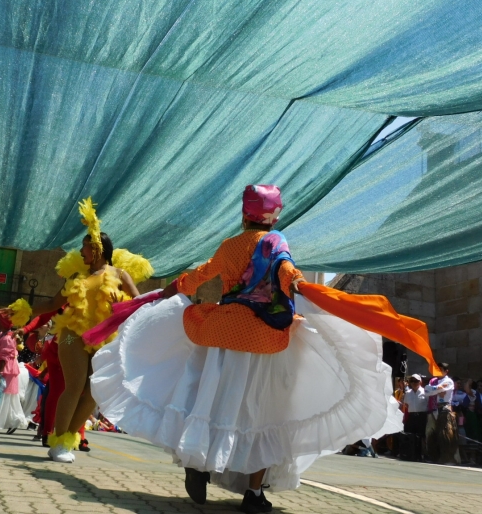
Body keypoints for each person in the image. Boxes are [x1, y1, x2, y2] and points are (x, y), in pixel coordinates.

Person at [89, 185, 417, 513]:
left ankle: (197, 463)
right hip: (261, 337)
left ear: (245, 214)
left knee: (212, 401)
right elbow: (286, 271)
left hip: (221, 330)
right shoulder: (274, 242)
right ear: (273, 216)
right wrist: (299, 284)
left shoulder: (230, 245)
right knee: (261, 413)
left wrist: (168, 291)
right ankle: (254, 493)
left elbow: (201, 276)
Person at [0, 198, 152, 463]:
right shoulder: (76, 277)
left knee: (95, 392)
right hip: (72, 334)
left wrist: (122, 307)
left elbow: (139, 305)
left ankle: (69, 438)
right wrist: (25, 311)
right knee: (74, 385)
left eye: (84, 248)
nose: (81, 253)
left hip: (104, 337)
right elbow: (52, 304)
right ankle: (57, 442)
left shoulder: (120, 275)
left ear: (96, 248)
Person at [424, 363, 458, 464]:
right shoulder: (435, 381)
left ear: (446, 371)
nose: (439, 371)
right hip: (436, 409)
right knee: (434, 434)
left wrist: (435, 390)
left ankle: (447, 457)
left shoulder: (448, 381)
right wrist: (437, 390)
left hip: (445, 409)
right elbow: (426, 390)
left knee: (445, 434)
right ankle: (436, 456)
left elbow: (436, 389)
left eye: (441, 369)